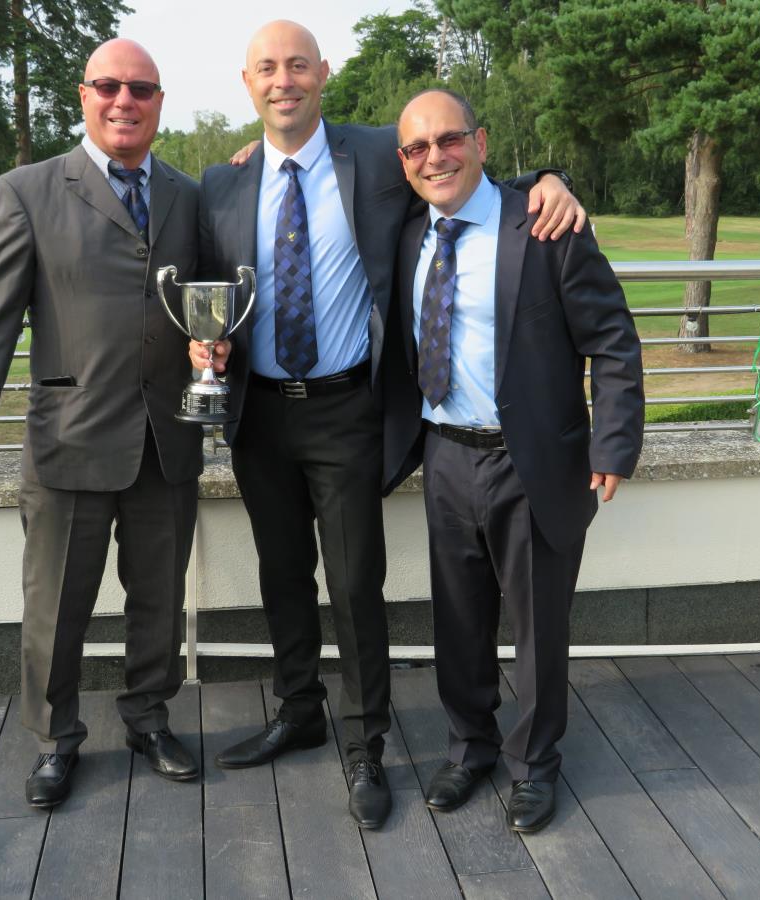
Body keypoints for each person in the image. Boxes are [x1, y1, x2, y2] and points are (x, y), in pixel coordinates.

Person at [191, 20, 586, 830]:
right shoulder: (221, 185)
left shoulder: (375, 154)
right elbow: (204, 290)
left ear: (323, 73)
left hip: (345, 410)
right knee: (283, 576)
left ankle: (364, 742)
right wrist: (205, 340)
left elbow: (459, 167)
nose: (284, 80)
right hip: (257, 411)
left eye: (298, 65)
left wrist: (549, 177)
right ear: (248, 82)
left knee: (354, 582)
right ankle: (299, 708)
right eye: (268, 68)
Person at [0, 38, 202, 809]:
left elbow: (207, 300)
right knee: (56, 608)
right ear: (83, 95)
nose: (125, 101)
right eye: (110, 86)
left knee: (158, 600)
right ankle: (56, 740)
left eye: (141, 90)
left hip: (165, 439)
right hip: (70, 439)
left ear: (159, 102)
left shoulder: (187, 194)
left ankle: (150, 718)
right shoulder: (26, 190)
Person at [382, 88, 644, 833]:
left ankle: (535, 765)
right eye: (416, 147)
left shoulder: (544, 225)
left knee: (538, 628)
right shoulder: (407, 233)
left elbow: (613, 340)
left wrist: (614, 441)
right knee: (457, 622)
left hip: (532, 463)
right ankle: (471, 748)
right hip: (443, 457)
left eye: (450, 139)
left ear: (483, 141)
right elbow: (317, 146)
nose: (435, 156)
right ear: (402, 162)